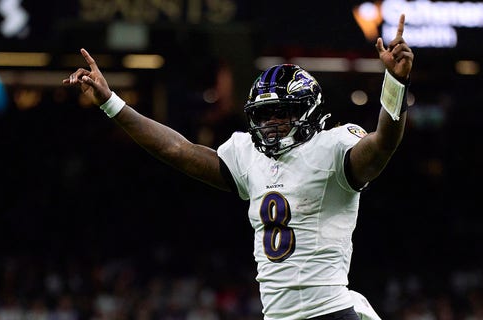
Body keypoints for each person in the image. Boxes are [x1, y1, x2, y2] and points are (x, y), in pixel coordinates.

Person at [63, 13, 413, 320]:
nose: (271, 122)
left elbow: (383, 144)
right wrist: (111, 103)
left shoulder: (333, 147)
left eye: (281, 112)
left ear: (308, 111)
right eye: (263, 114)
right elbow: (178, 149)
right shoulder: (249, 155)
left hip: (328, 311)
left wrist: (395, 83)